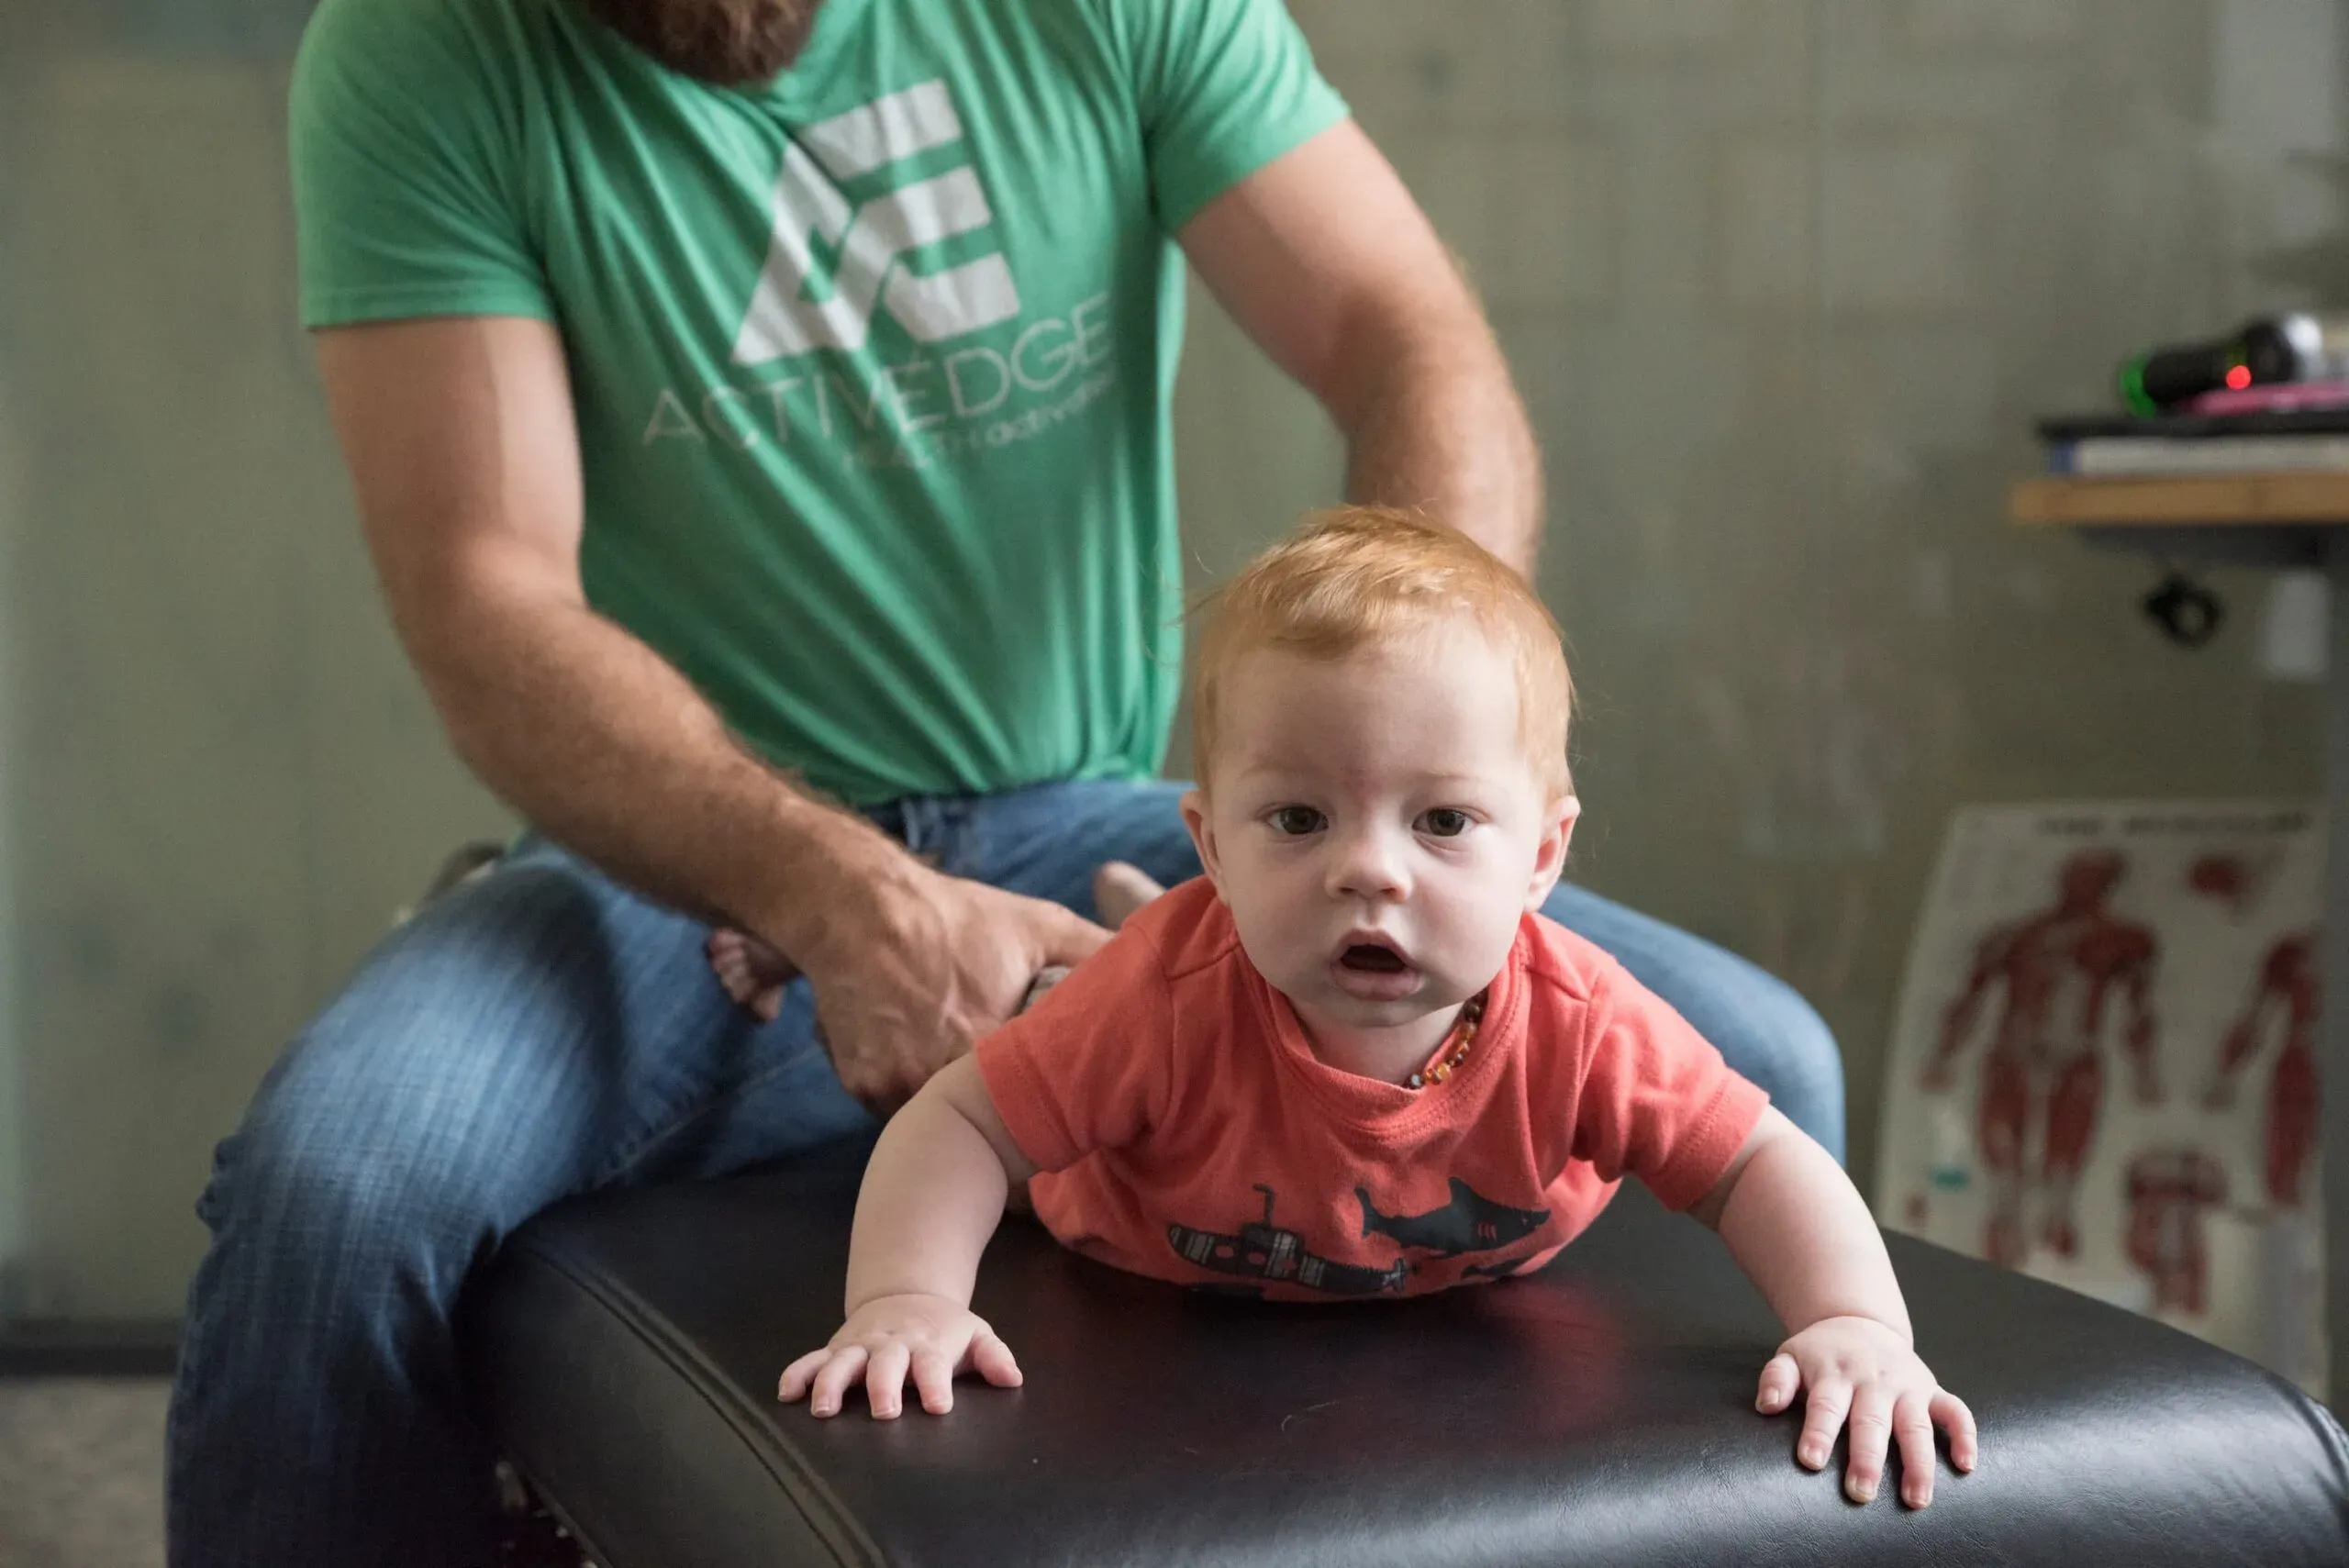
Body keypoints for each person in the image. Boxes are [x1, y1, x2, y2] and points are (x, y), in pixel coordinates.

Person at [166, 0, 1845, 1563]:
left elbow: (1399, 329)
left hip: (1100, 819)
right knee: (343, 1190)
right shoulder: (422, 49)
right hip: (689, 867)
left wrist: (1361, 794)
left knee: (1765, 1058)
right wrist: (833, 898)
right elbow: (487, 591)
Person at [775, 509, 1974, 1509]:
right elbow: (960, 1123)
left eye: (1444, 822)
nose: (1372, 872)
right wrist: (906, 1302)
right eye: (1298, 820)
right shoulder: (1169, 1005)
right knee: (1088, 1014)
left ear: (1543, 855)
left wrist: (1858, 1324)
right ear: (1216, 840)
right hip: (1128, 1216)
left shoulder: (1581, 1017)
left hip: (1410, 1219)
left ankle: (1127, 926)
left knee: (1148, 977)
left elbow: (1755, 1157)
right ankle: (1076, 956)